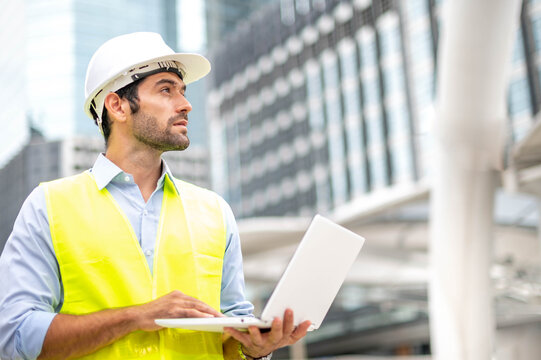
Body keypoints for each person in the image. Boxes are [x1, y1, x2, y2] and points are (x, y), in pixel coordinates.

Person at [0, 32, 310, 360]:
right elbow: (14, 335)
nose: (185, 104)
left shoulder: (215, 211)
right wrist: (135, 316)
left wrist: (255, 349)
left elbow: (231, 329)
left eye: (183, 91)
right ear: (117, 105)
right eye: (166, 89)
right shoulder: (49, 206)